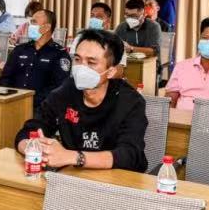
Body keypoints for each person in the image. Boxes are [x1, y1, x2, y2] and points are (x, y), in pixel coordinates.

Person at [15, 29, 147, 172]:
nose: (81, 68)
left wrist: (74, 157)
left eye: (91, 62)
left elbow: (129, 155)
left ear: (111, 72)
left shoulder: (131, 101)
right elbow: (29, 130)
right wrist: (32, 148)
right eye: (77, 60)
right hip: (75, 175)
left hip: (118, 179)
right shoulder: (66, 91)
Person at [0, 8, 70, 109]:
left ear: (46, 27)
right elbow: (4, 79)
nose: (29, 25)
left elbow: (59, 87)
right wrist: (9, 99)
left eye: (34, 22)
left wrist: (30, 102)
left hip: (42, 109)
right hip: (12, 104)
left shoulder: (59, 54)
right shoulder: (19, 50)